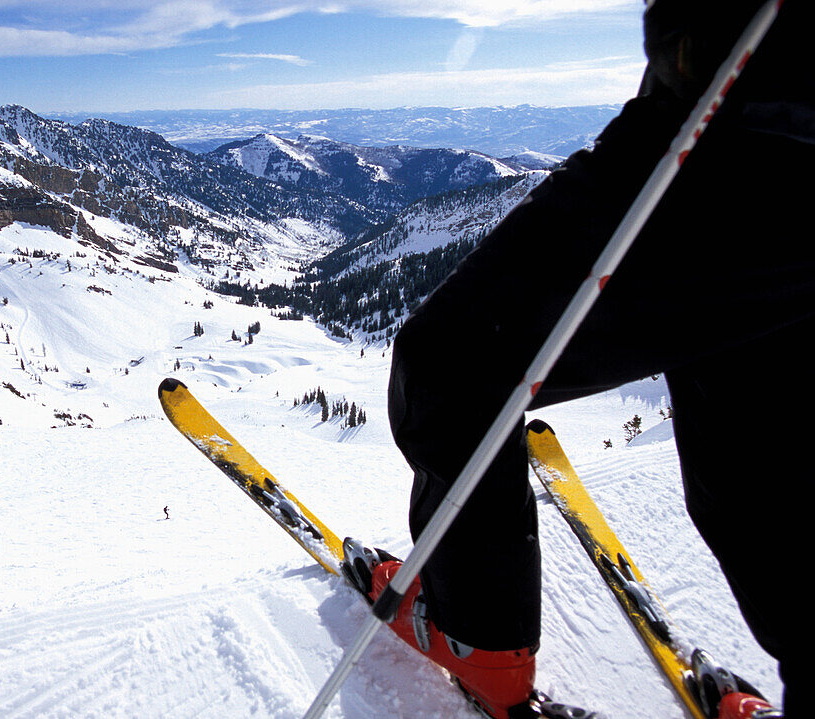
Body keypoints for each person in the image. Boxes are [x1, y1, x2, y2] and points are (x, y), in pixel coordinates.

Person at [344, 2, 812, 717]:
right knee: (763, 454)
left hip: (729, 132)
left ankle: (481, 641)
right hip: (766, 130)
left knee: (451, 365)